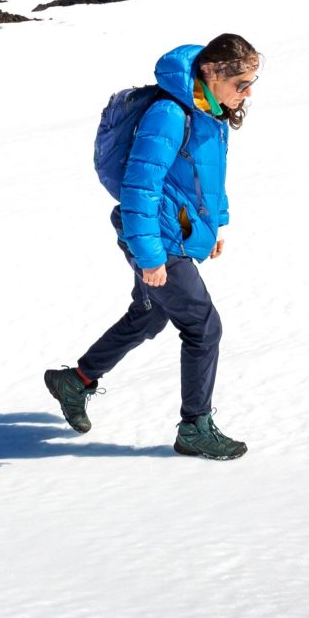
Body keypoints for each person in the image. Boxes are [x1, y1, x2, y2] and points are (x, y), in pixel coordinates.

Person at [44, 34, 260, 460]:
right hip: (155, 237)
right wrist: (151, 257)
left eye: (252, 83)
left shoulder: (209, 111)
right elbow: (139, 187)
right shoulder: (168, 114)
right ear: (211, 73)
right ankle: (195, 427)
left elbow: (205, 178)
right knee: (202, 325)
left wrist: (215, 224)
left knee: (149, 315)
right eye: (241, 83)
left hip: (173, 231)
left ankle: (76, 381)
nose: (247, 92)